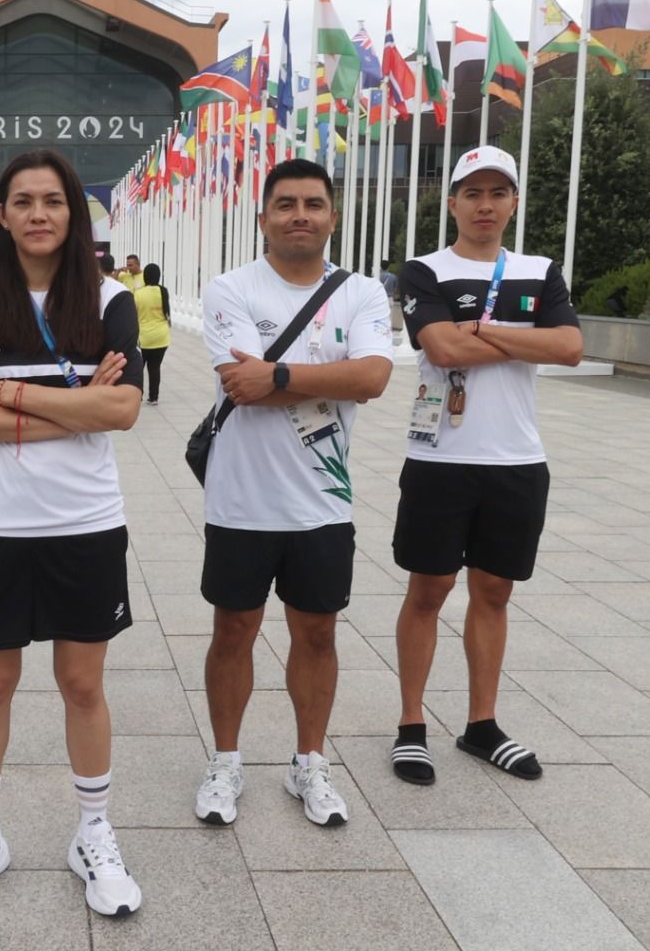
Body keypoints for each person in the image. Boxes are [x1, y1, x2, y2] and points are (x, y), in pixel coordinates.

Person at [0, 149, 144, 918]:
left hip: (85, 523)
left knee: (82, 684)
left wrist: (11, 394)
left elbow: (122, 412)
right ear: (3, 214)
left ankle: (94, 831)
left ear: (75, 214)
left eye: (54, 200)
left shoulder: (111, 300)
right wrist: (70, 402)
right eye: (23, 200)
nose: (39, 213)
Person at [194, 159, 394, 828]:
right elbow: (241, 384)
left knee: (318, 633)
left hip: (322, 504)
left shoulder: (362, 292)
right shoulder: (231, 287)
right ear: (264, 219)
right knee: (234, 631)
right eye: (285, 204)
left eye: (313, 203)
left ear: (333, 216)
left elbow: (371, 379)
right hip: (241, 500)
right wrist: (332, 374)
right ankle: (225, 759)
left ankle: (310, 760)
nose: (300, 214)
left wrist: (282, 372)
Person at [389, 145, 582, 785]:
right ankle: (411, 725)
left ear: (514, 203)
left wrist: (478, 329)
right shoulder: (423, 269)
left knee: (494, 593)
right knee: (429, 591)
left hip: (517, 459)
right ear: (452, 202)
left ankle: (481, 726)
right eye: (472, 193)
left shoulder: (540, 269)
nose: (485, 205)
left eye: (498, 193)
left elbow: (570, 347)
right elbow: (440, 348)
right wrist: (513, 335)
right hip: (441, 459)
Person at [134, 263, 172, 405]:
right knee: (155, 367)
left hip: (144, 338)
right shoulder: (163, 291)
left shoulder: (138, 293)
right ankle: (154, 397)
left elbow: (133, 315)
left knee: (139, 368)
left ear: (145, 276)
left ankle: (138, 395)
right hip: (162, 337)